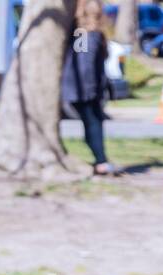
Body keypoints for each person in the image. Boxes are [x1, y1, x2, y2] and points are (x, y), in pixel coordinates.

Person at [62, 0, 117, 176]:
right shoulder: (85, 34)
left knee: (93, 123)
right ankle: (101, 161)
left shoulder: (82, 33)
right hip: (85, 89)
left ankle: (100, 159)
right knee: (93, 123)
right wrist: (90, 90)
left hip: (84, 87)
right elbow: (85, 64)